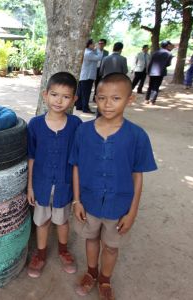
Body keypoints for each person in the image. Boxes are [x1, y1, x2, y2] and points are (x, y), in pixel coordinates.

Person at [70, 73, 157, 300]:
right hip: (88, 202)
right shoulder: (83, 131)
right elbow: (76, 166)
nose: (107, 104)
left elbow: (137, 175)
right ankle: (91, 272)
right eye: (101, 98)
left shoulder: (137, 136)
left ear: (130, 100)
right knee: (91, 239)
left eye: (116, 98)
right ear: (95, 98)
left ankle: (105, 279)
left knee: (111, 246)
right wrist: (77, 200)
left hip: (119, 205)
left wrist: (133, 212)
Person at [26, 72, 82, 278]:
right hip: (40, 184)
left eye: (66, 96)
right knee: (42, 221)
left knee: (62, 220)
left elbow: (78, 161)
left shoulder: (76, 125)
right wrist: (30, 187)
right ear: (45, 94)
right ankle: (40, 255)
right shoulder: (35, 125)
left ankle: (63, 250)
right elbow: (31, 157)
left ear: (74, 99)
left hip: (64, 186)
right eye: (54, 94)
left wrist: (77, 195)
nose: (59, 101)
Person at [76, 39, 103, 114]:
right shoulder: (89, 53)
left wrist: (95, 49)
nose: (94, 45)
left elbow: (94, 54)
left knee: (81, 92)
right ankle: (85, 108)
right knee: (86, 93)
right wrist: (98, 49)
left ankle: (79, 106)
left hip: (84, 75)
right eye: (93, 44)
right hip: (88, 76)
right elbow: (99, 57)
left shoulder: (87, 51)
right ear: (89, 45)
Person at [145, 40, 174, 104]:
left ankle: (146, 99)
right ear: (167, 46)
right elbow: (168, 64)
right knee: (156, 86)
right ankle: (152, 100)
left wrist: (148, 71)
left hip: (152, 71)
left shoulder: (155, 52)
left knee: (150, 85)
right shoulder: (169, 53)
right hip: (160, 72)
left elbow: (151, 62)